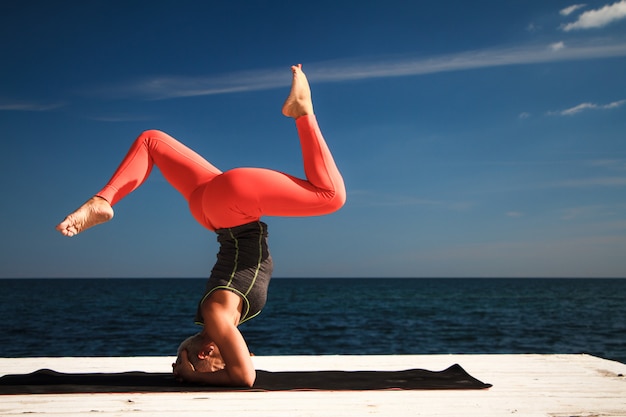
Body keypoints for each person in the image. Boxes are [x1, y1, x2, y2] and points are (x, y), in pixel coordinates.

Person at [55, 64, 346, 387]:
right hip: (214, 208)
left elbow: (243, 377)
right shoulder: (222, 315)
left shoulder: (219, 315)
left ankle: (303, 112)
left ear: (208, 352)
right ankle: (104, 199)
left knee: (330, 196)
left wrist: (191, 374)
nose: (174, 365)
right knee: (152, 142)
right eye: (177, 360)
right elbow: (242, 372)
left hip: (229, 207)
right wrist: (190, 371)